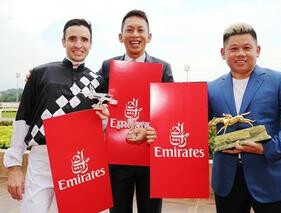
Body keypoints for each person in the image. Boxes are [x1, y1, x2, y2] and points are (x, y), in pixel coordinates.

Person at [4, 19, 118, 213]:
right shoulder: (40, 73)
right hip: (42, 160)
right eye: (72, 38)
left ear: (91, 43)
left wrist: (105, 119)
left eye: (84, 39)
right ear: (63, 41)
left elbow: (101, 126)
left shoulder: (98, 82)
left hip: (80, 160)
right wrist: (14, 166)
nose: (78, 44)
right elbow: (22, 120)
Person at [207, 23, 281, 213]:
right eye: (233, 48)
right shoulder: (212, 88)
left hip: (272, 179)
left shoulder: (279, 81)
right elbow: (191, 122)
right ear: (223, 52)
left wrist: (266, 148)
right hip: (227, 182)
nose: (240, 53)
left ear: (257, 50)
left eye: (247, 48)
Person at [97, 9, 174, 213]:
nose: (135, 34)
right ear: (120, 36)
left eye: (140, 30)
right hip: (117, 157)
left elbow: (171, 112)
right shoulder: (107, 67)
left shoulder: (162, 68)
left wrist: (152, 128)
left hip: (150, 157)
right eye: (129, 30)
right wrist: (39, 78)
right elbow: (90, 97)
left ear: (149, 36)